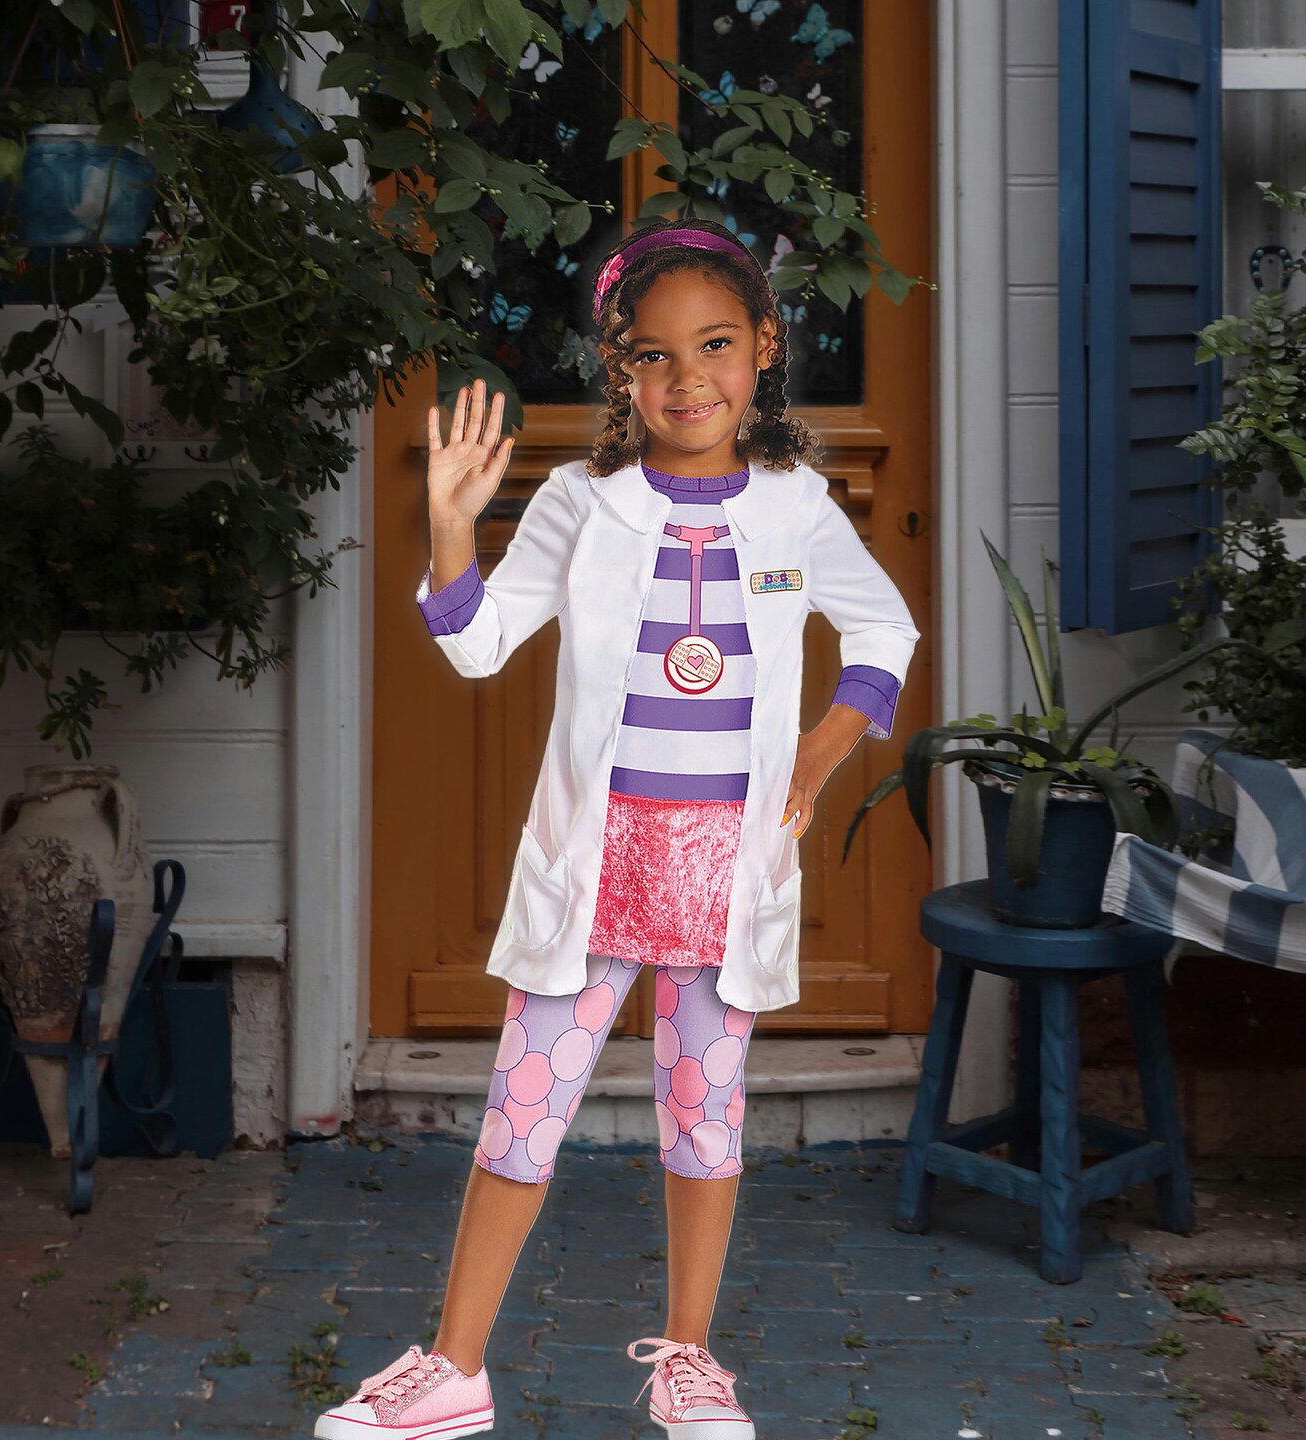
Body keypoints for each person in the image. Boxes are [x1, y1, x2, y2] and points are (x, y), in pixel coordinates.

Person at [315, 218, 919, 1440]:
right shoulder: (582, 505)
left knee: (706, 1121)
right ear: (617, 369)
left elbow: (884, 630)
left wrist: (819, 752)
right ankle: (457, 1370)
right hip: (599, 867)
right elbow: (479, 646)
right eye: (654, 355)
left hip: (726, 870)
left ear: (764, 347)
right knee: (522, 1112)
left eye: (715, 345)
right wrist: (451, 528)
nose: (687, 379)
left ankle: (690, 1363)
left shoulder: (798, 508)